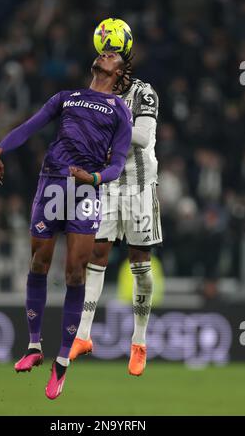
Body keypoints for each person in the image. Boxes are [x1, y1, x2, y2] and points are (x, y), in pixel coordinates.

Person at [0, 51, 132, 399]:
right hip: (52, 182)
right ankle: (34, 345)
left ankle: (62, 361)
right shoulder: (67, 97)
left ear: (119, 74)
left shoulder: (120, 111)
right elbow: (30, 125)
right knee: (38, 263)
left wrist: (94, 177)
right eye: (104, 50)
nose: (106, 52)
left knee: (75, 274)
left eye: (115, 55)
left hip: (85, 190)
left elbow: (118, 165)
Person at [70, 69, 162, 377]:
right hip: (107, 186)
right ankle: (82, 335)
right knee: (96, 255)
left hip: (139, 186)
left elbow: (145, 136)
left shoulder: (144, 92)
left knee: (141, 265)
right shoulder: (94, 94)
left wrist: (111, 123)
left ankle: (139, 341)